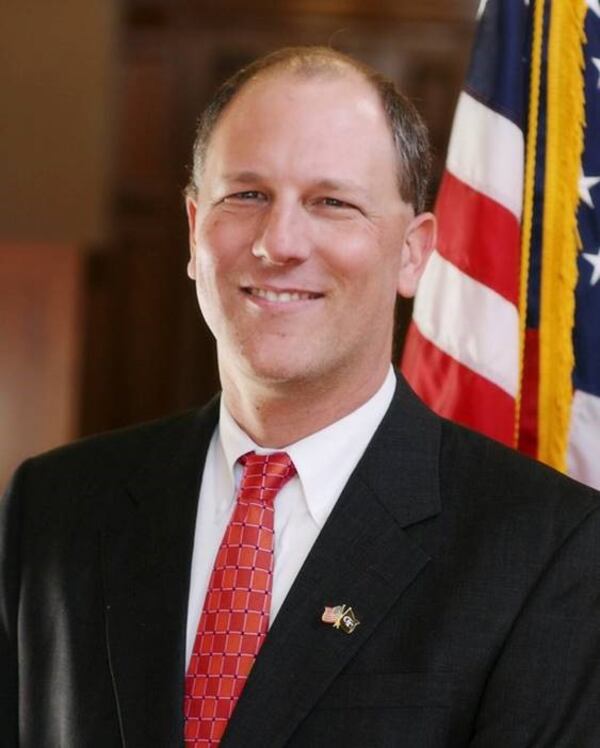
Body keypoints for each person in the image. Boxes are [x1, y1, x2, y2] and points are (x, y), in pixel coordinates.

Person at [2, 46, 600, 748]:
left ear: (412, 253)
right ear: (194, 230)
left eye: (332, 203)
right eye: (247, 195)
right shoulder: (57, 508)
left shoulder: (545, 550)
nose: (279, 242)